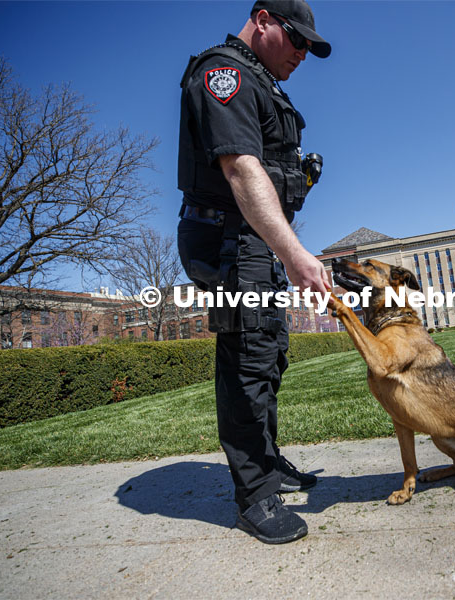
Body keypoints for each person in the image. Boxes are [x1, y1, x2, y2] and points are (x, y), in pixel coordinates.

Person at [176, 0, 331, 545]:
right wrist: (295, 256)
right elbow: (241, 169)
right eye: (296, 38)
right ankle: (254, 495)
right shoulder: (225, 74)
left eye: (309, 47)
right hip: (225, 238)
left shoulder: (262, 81)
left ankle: (264, 462)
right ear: (262, 18)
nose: (302, 53)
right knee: (248, 356)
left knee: (269, 353)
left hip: (249, 240)